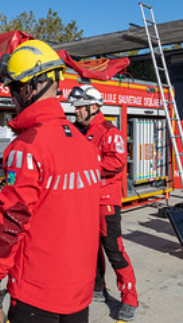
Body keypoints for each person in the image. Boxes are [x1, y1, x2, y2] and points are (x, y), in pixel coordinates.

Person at [0, 40, 102, 323]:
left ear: (29, 88)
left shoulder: (26, 147)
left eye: (12, 88)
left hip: (37, 292)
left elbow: (12, 221)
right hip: (79, 290)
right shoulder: (83, 142)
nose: (10, 96)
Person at [68, 84, 138, 321]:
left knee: (114, 249)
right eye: (75, 107)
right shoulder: (77, 130)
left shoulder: (110, 132)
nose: (75, 111)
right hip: (84, 200)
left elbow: (116, 162)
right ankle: (98, 289)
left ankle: (129, 298)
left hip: (105, 202)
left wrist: (85, 165)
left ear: (94, 106)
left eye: (79, 107)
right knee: (89, 250)